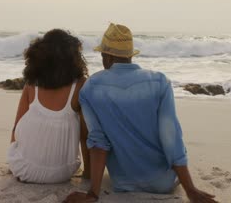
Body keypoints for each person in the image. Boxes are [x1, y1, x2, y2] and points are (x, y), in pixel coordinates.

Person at [64, 23, 217, 202]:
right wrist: (190, 190)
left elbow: (98, 142)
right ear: (130, 55)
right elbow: (171, 138)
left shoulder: (90, 88)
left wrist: (93, 193)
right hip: (164, 183)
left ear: (107, 56)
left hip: (122, 183)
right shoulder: (160, 82)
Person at [7, 29, 90, 183]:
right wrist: (87, 174)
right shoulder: (80, 86)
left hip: (25, 170)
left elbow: (16, 129)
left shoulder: (31, 85)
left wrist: (14, 159)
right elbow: (84, 137)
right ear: (73, 57)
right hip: (64, 172)